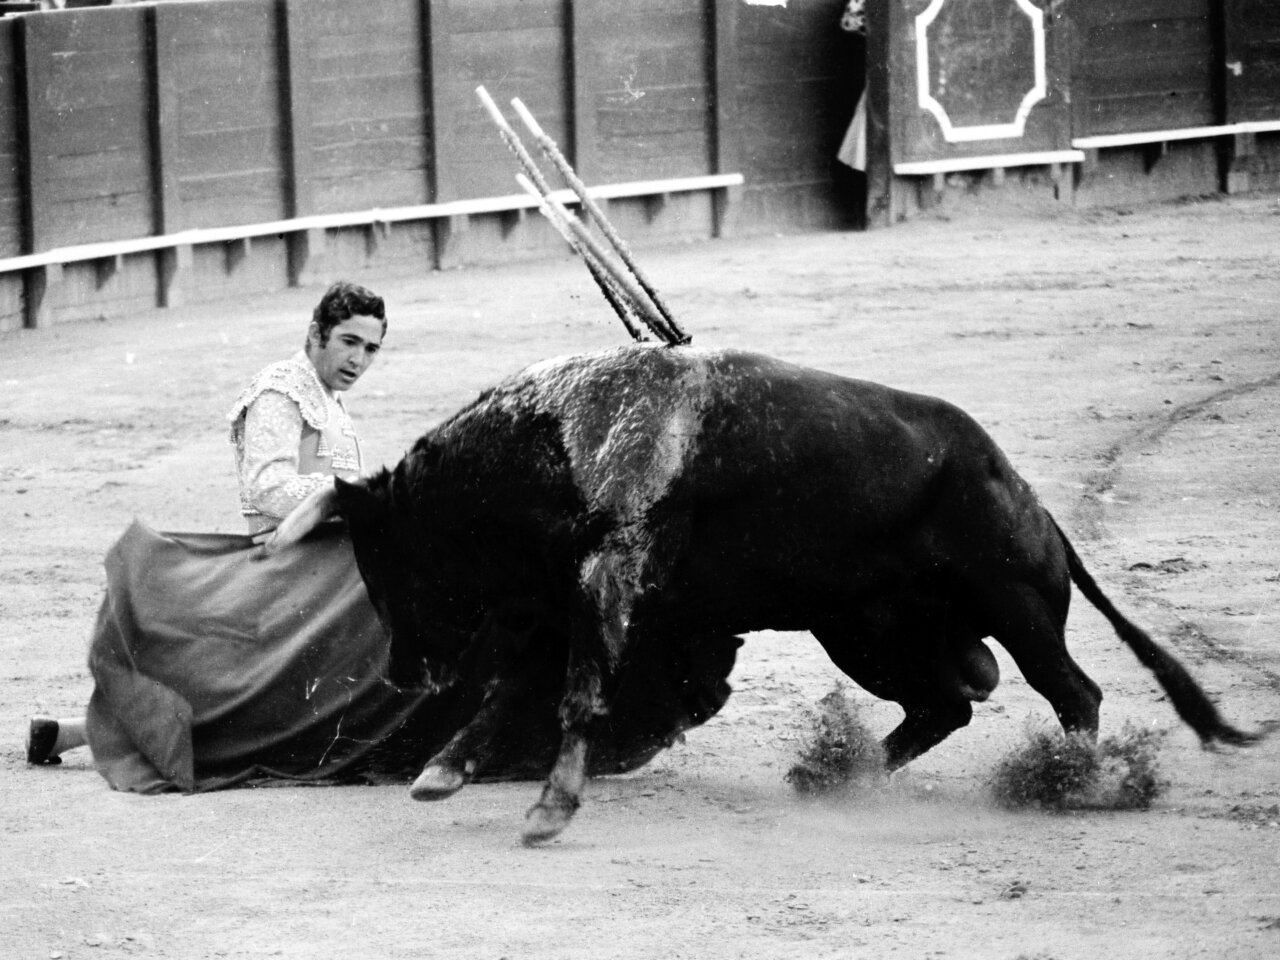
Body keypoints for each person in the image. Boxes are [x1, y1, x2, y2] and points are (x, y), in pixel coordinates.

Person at [28, 281, 738, 791]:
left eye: (370, 348)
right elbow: (269, 487)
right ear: (314, 336)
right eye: (347, 343)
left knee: (280, 700)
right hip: (288, 560)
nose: (358, 359)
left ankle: (68, 733)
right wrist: (353, 506)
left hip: (328, 557)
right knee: (302, 693)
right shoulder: (280, 392)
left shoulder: (333, 410)